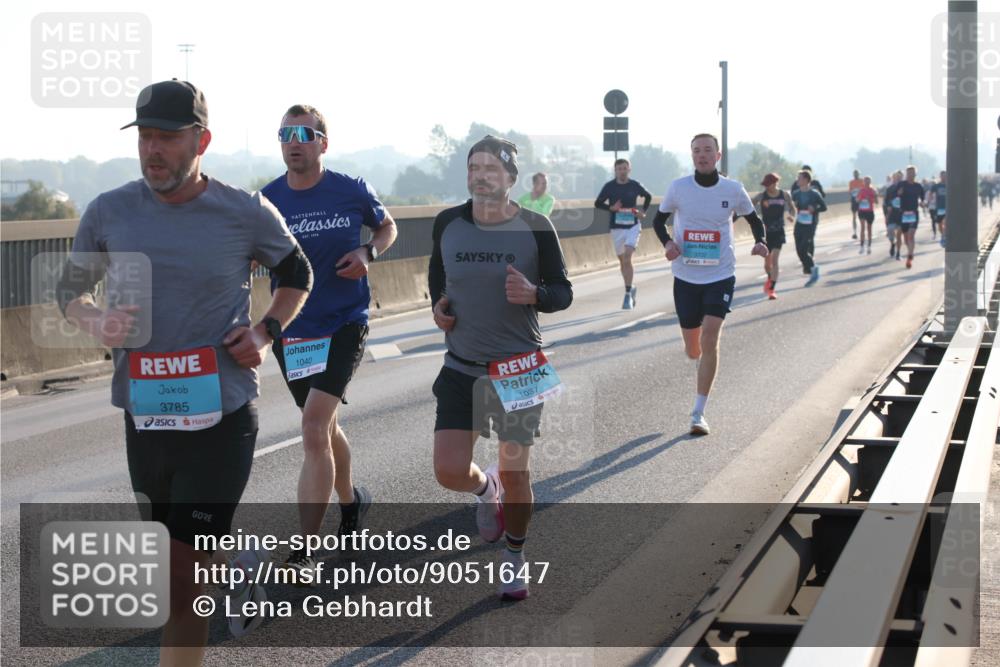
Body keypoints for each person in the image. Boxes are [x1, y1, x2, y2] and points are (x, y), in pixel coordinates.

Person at [56, 80, 313, 666]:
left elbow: (297, 272)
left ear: (202, 140)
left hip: (220, 418)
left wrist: (265, 331)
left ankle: (218, 575)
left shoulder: (244, 211)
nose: (153, 149)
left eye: (167, 137)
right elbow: (70, 290)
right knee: (172, 573)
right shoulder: (108, 211)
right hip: (146, 419)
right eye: (145, 136)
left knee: (181, 585)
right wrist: (95, 320)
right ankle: (236, 569)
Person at [428, 136, 573, 599]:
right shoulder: (448, 223)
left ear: (510, 177)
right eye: (474, 167)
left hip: (518, 369)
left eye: (491, 168)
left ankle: (514, 556)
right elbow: (438, 276)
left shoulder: (535, 226)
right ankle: (484, 489)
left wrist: (535, 294)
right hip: (461, 366)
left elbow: (562, 291)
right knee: (448, 471)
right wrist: (438, 306)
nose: (481, 175)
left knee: (517, 474)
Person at [261, 105, 398, 574]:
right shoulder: (267, 201)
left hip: (344, 322)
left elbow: (387, 226)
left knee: (313, 426)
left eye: (303, 134)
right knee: (323, 425)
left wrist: (367, 251)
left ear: (323, 142)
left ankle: (305, 551)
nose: (292, 143)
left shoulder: (350, 188)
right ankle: (352, 501)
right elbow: (244, 255)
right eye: (285, 135)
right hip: (293, 330)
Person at [652, 133, 768, 435]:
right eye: (696, 151)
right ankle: (697, 359)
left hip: (720, 274)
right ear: (692, 155)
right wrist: (668, 243)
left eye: (707, 150)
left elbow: (754, 220)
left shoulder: (733, 189)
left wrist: (761, 241)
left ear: (718, 155)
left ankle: (698, 413)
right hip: (686, 276)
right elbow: (657, 221)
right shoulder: (679, 188)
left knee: (711, 336)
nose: (702, 155)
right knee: (694, 348)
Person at [595, 159, 652, 309]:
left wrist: (643, 212)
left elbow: (648, 196)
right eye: (619, 169)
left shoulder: (634, 185)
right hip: (617, 228)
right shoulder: (609, 187)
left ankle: (627, 294)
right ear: (615, 171)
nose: (622, 171)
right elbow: (598, 203)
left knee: (627, 257)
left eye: (625, 168)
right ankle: (630, 287)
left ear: (629, 170)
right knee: (623, 262)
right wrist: (611, 208)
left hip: (633, 226)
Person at [751, 172, 795, 299]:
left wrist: (791, 215)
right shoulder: (761, 196)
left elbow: (792, 208)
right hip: (766, 233)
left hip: (779, 231)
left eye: (768, 184)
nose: (766, 187)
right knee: (767, 263)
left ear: (775, 183)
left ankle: (771, 289)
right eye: (765, 185)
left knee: (775, 260)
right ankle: (770, 278)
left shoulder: (784, 195)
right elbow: (748, 205)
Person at [791, 170, 828, 285]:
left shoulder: (814, 194)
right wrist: (791, 214)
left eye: (800, 178)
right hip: (799, 223)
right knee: (798, 249)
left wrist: (815, 209)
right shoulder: (796, 194)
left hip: (810, 224)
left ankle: (812, 269)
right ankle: (809, 267)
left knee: (804, 248)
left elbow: (824, 207)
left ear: (806, 180)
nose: (797, 180)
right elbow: (792, 208)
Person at [896, 165, 926, 269]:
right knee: (905, 238)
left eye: (912, 173)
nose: (910, 175)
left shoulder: (918, 186)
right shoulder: (901, 184)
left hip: (913, 213)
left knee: (911, 235)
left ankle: (910, 256)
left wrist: (922, 203)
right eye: (908, 173)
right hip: (903, 213)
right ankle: (910, 252)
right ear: (906, 174)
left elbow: (922, 198)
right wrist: (899, 193)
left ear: (915, 174)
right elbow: (895, 195)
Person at [855, 175, 879, 254]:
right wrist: (859, 200)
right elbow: (856, 200)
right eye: (865, 181)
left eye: (868, 181)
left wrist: (870, 199)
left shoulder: (873, 190)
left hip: (869, 211)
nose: (867, 182)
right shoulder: (861, 190)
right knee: (862, 228)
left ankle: (869, 246)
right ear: (863, 182)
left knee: (869, 229)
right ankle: (862, 247)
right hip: (862, 211)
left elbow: (877, 202)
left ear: (870, 182)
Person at [885, 170, 904, 259]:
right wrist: (889, 206)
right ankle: (893, 243)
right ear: (894, 178)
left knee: (899, 234)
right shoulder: (890, 189)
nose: (898, 179)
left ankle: (898, 253)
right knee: (890, 231)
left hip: (902, 214)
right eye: (896, 177)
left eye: (900, 177)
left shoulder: (905, 188)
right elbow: (886, 201)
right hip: (892, 214)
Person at [848, 169, 865, 240]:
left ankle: (862, 231)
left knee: (861, 217)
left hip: (861, 201)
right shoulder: (851, 182)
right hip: (854, 200)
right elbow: (850, 192)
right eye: (854, 174)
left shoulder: (862, 181)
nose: (856, 175)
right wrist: (852, 194)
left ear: (859, 174)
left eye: (857, 174)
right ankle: (855, 232)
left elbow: (864, 190)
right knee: (854, 216)